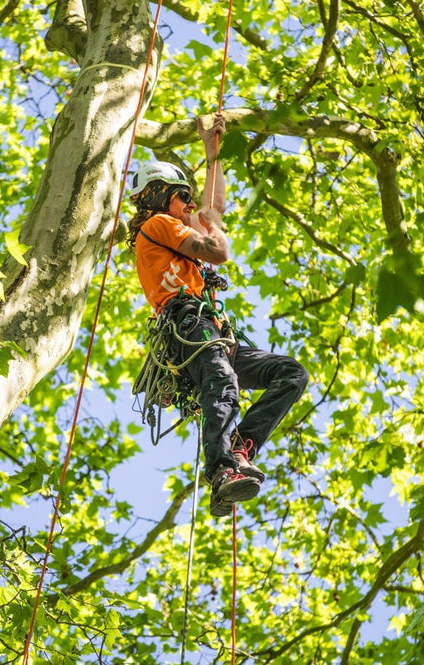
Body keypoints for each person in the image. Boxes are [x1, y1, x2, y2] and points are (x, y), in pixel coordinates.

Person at [127, 113, 309, 517]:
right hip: (188, 328)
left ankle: (238, 448)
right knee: (223, 380)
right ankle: (222, 470)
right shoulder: (157, 224)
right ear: (158, 197)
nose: (190, 205)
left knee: (291, 374)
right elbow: (217, 248)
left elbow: (212, 208)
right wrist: (211, 227)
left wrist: (213, 150)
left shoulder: (172, 223)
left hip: (213, 334)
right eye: (181, 197)